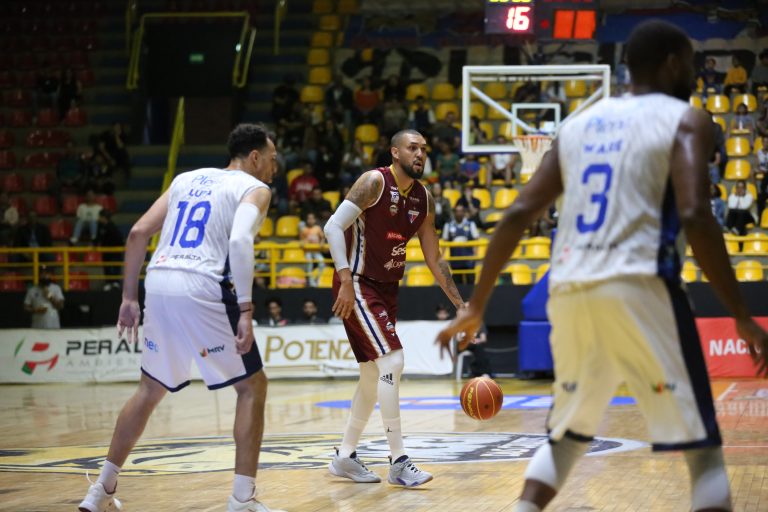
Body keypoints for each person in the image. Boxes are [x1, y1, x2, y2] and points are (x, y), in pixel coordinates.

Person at [437, 20, 768, 512]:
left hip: (570, 292)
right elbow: (697, 214)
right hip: (641, 286)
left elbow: (517, 213)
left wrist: (476, 305)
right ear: (672, 63)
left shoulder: (577, 125)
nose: (695, 76)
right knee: (704, 452)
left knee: (567, 437)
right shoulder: (686, 118)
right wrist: (740, 313)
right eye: (691, 66)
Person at [77, 123, 284, 512]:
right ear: (255, 157)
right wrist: (245, 308)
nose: (275, 167)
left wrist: (128, 297)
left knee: (149, 389)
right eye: (273, 159)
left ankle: (101, 489)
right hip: (203, 283)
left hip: (158, 281)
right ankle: (242, 498)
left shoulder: (185, 179)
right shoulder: (255, 188)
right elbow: (239, 240)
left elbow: (138, 232)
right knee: (252, 387)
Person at [323, 129, 465, 487]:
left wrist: (461, 307)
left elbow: (435, 258)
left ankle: (344, 456)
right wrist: (344, 279)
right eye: (412, 148)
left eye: (424, 149)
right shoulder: (374, 182)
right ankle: (399, 461)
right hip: (357, 283)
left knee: (372, 376)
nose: (420, 154)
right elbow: (333, 226)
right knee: (393, 361)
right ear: (395, 152)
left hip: (387, 289)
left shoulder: (423, 198)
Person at [442, 204, 480, 285]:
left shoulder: (471, 224)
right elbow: (444, 242)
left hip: (469, 260)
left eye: (461, 211)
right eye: (457, 211)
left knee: (470, 283)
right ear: (454, 213)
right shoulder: (448, 225)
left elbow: (476, 240)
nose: (459, 213)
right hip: (455, 260)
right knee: (457, 284)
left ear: (464, 212)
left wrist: (475, 254)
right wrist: (442, 256)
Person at [94, 210, 125, 291]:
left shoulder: (112, 227)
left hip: (115, 250)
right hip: (105, 250)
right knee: (106, 266)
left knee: (115, 266)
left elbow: (120, 239)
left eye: (100, 217)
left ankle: (116, 283)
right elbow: (98, 237)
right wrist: (95, 244)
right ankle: (108, 282)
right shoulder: (100, 225)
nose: (98, 218)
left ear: (104, 218)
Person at [300, 212, 325, 286]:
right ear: (307, 220)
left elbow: (322, 237)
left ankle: (317, 279)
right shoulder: (304, 229)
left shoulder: (317, 228)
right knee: (309, 264)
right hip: (308, 251)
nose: (310, 220)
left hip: (316, 251)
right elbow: (301, 240)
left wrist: (322, 242)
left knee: (321, 262)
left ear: (315, 220)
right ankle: (311, 282)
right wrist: (303, 243)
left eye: (312, 218)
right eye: (309, 219)